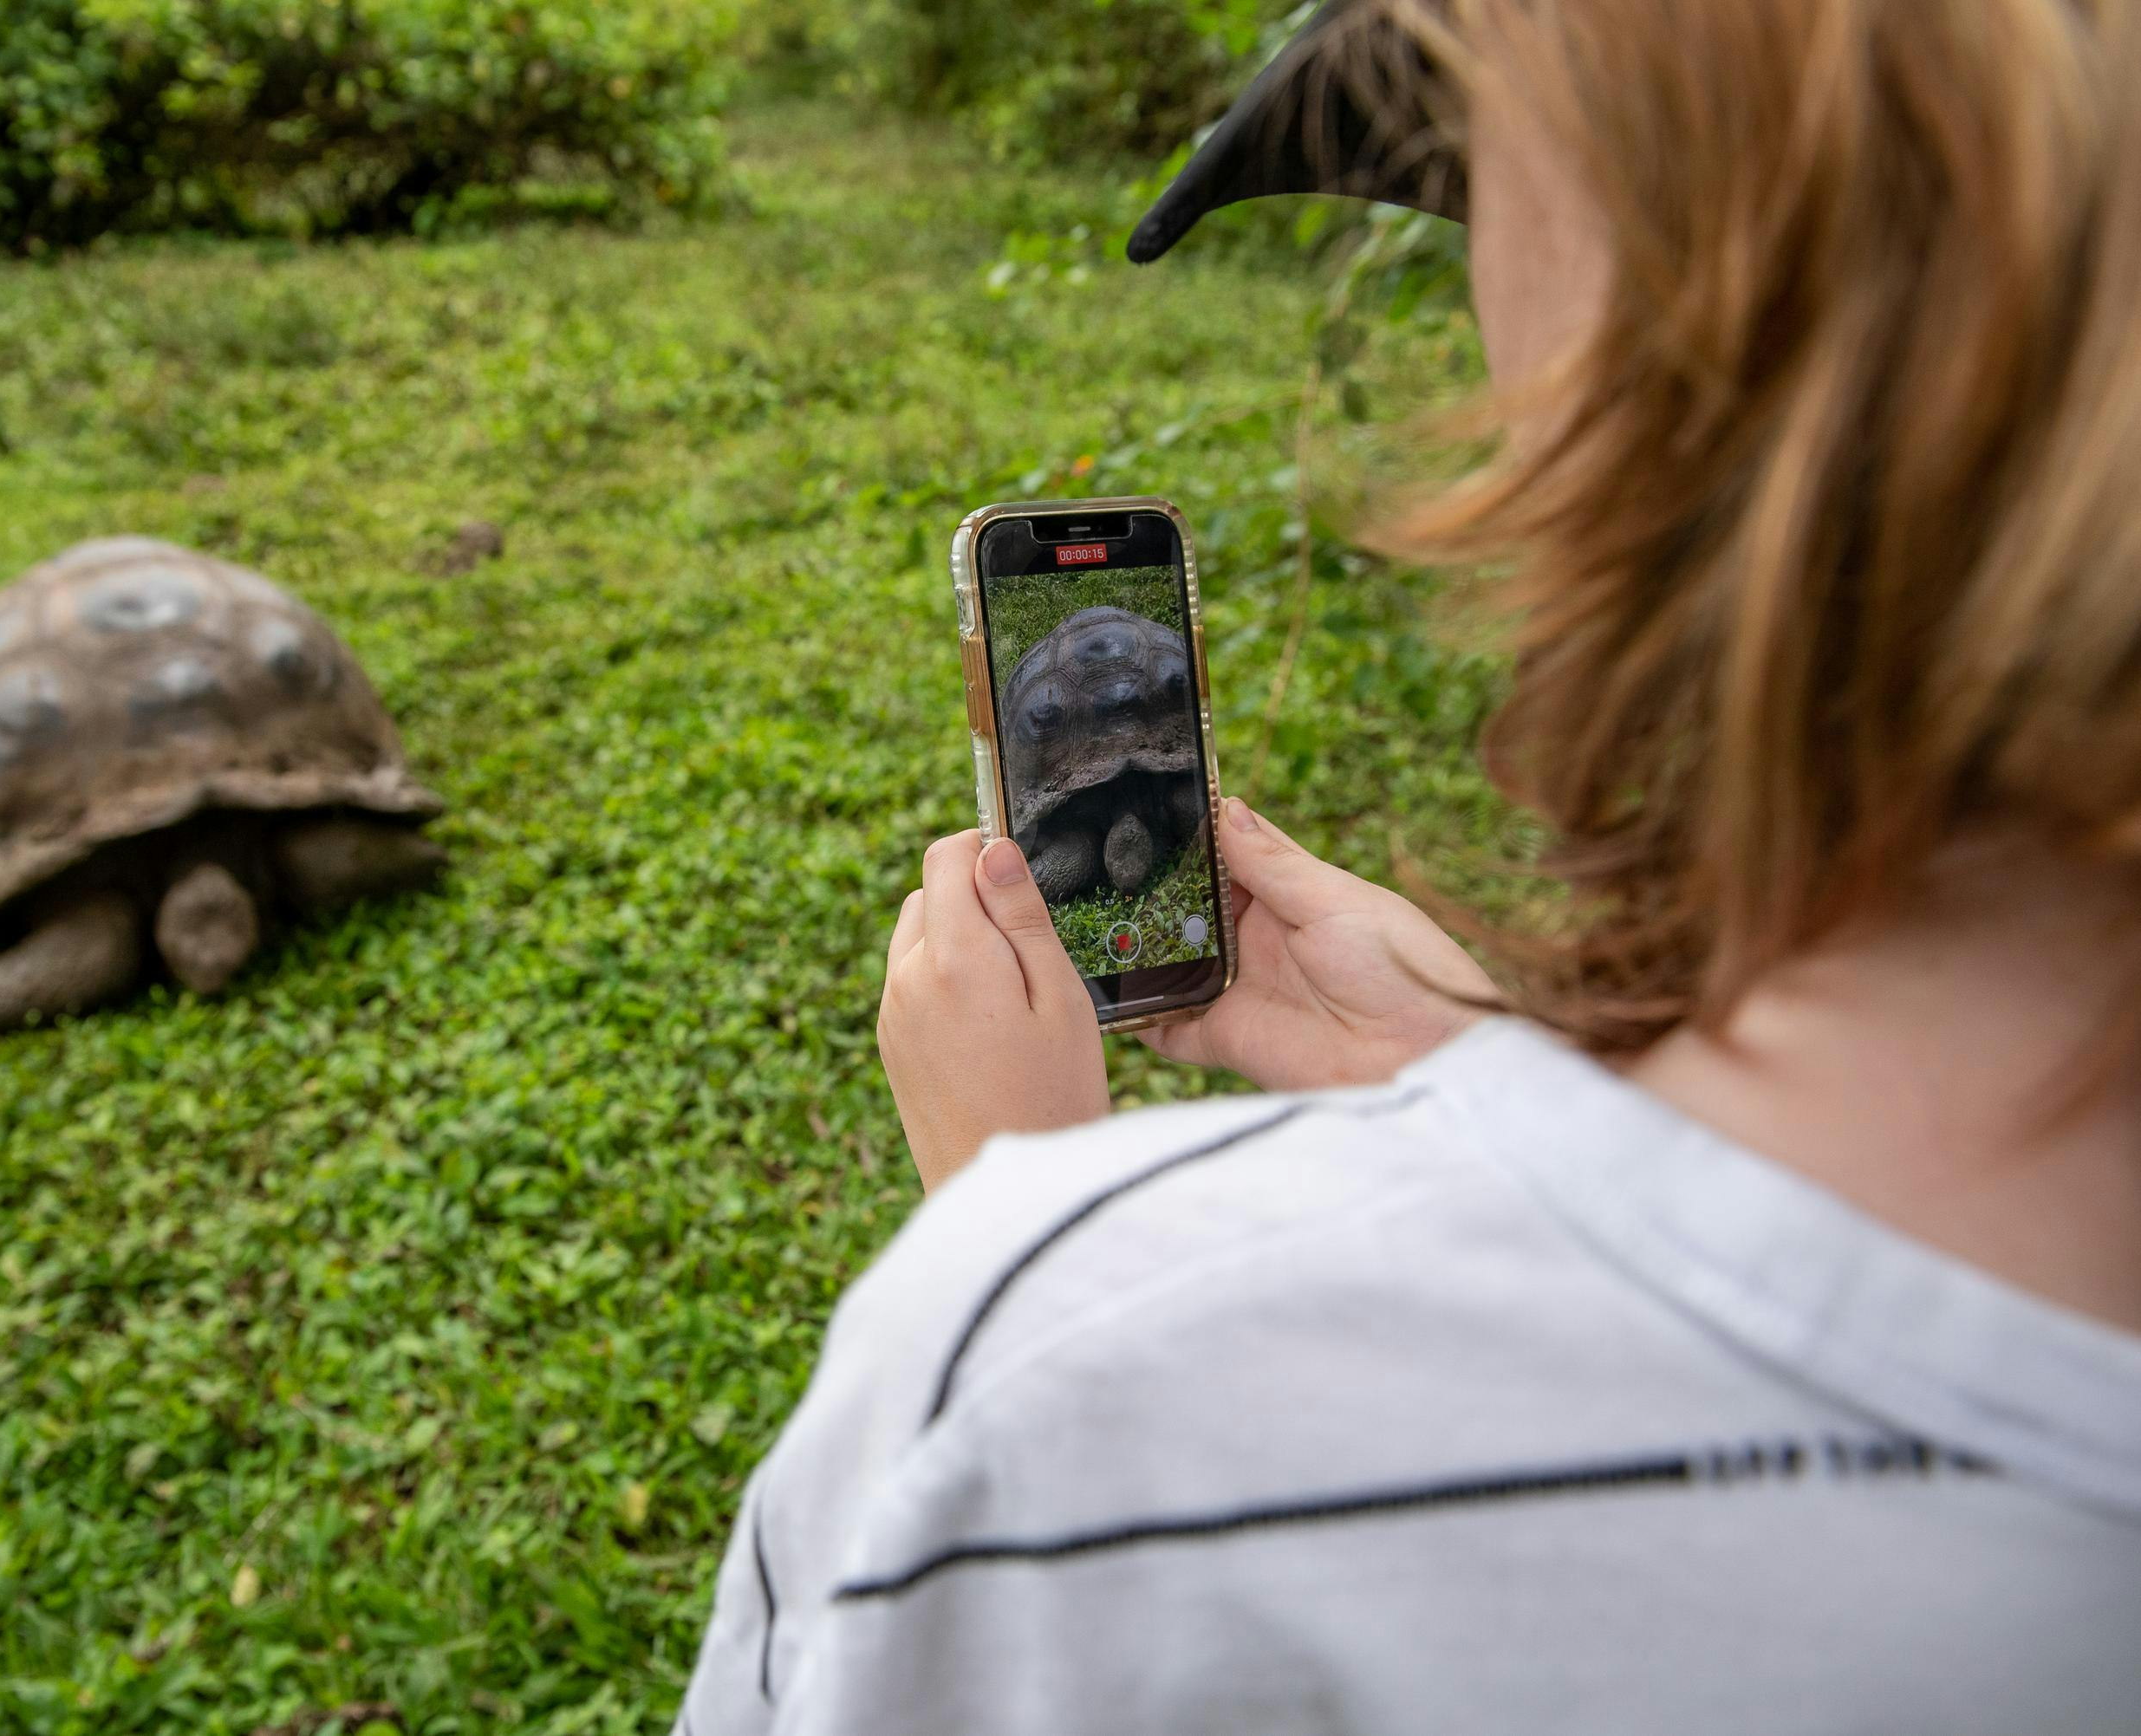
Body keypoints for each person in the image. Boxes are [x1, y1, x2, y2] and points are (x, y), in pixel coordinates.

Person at [678, 0, 2141, 1729]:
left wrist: (1027, 1261)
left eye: (1483, 182)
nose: (1467, 308)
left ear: (1685, 324)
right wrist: (1503, 1074)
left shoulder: (1059, 1394)